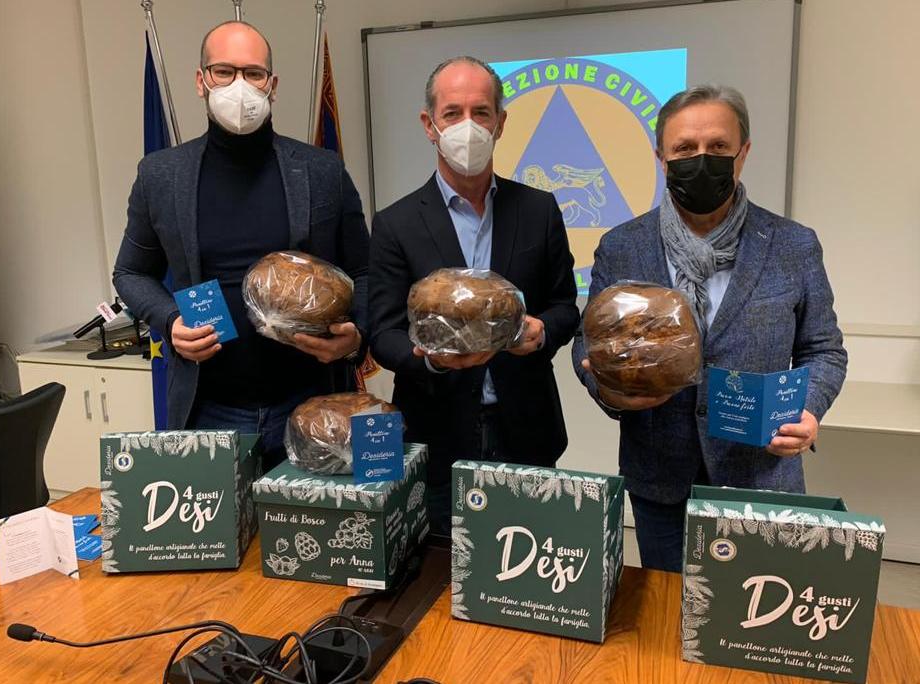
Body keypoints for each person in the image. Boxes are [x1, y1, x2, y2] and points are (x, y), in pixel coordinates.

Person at [572, 85, 847, 572]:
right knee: (666, 608)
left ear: (744, 152)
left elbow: (823, 349)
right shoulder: (623, 246)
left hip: (759, 474)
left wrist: (807, 408)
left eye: (718, 146)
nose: (701, 160)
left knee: (756, 608)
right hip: (660, 476)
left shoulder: (792, 244)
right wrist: (610, 391)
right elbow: (588, 343)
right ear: (661, 158)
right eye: (684, 149)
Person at [113, 21, 368, 466]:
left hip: (312, 402)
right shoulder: (160, 176)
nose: (240, 86)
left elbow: (365, 271)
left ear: (272, 85)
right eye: (224, 71)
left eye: (253, 73)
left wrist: (356, 336)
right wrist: (170, 320)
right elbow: (130, 272)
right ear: (201, 81)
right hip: (209, 408)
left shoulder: (322, 170)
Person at [368, 56, 579, 534]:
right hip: (435, 436)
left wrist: (543, 332)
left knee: (527, 563)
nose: (468, 126)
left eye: (481, 112)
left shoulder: (539, 210)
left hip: (527, 432)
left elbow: (565, 306)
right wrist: (430, 359)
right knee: (438, 570)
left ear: (500, 123)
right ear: (429, 125)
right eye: (452, 113)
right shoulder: (395, 224)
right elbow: (382, 332)